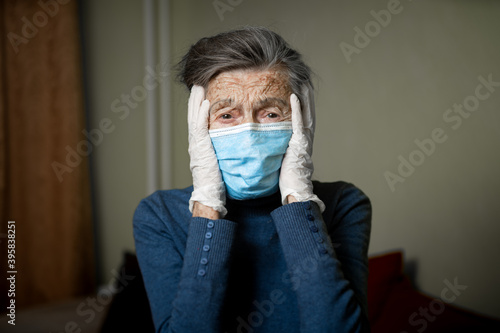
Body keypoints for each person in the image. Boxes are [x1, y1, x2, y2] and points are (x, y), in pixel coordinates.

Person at [133, 26, 372, 333]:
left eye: (270, 113)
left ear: (303, 120)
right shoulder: (159, 215)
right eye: (227, 115)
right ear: (198, 126)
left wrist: (298, 199)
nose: (249, 134)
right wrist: (207, 205)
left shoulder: (344, 205)